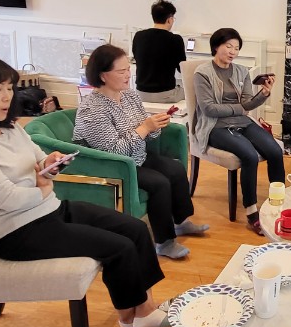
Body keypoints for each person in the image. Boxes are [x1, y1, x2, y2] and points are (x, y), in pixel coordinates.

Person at [0, 55, 173, 327]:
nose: (7, 97)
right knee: (119, 247)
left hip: (48, 210)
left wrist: (51, 162)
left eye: (9, 88)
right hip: (16, 232)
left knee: (135, 229)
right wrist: (43, 189)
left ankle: (142, 311)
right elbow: (8, 200)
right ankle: (136, 316)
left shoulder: (9, 129)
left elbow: (39, 157)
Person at [73, 44, 207, 260]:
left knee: (175, 169)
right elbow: (113, 151)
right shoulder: (92, 109)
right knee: (159, 183)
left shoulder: (130, 96)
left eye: (128, 69)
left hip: (137, 155)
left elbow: (147, 133)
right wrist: (145, 128)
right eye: (121, 71)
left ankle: (180, 222)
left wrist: (155, 126)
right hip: (113, 165)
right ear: (103, 75)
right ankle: (164, 242)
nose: (128, 75)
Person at [193, 26, 285, 237]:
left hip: (242, 121)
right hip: (215, 126)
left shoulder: (241, 71)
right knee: (249, 156)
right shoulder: (202, 73)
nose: (233, 52)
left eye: (236, 48)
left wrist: (264, 93)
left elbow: (247, 104)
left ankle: (279, 201)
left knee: (274, 150)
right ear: (216, 46)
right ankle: (252, 213)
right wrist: (239, 108)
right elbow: (209, 109)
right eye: (229, 46)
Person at [132, 0, 186, 104]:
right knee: (191, 92)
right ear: (170, 20)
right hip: (165, 95)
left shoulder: (138, 36)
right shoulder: (175, 39)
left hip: (140, 94)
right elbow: (182, 69)